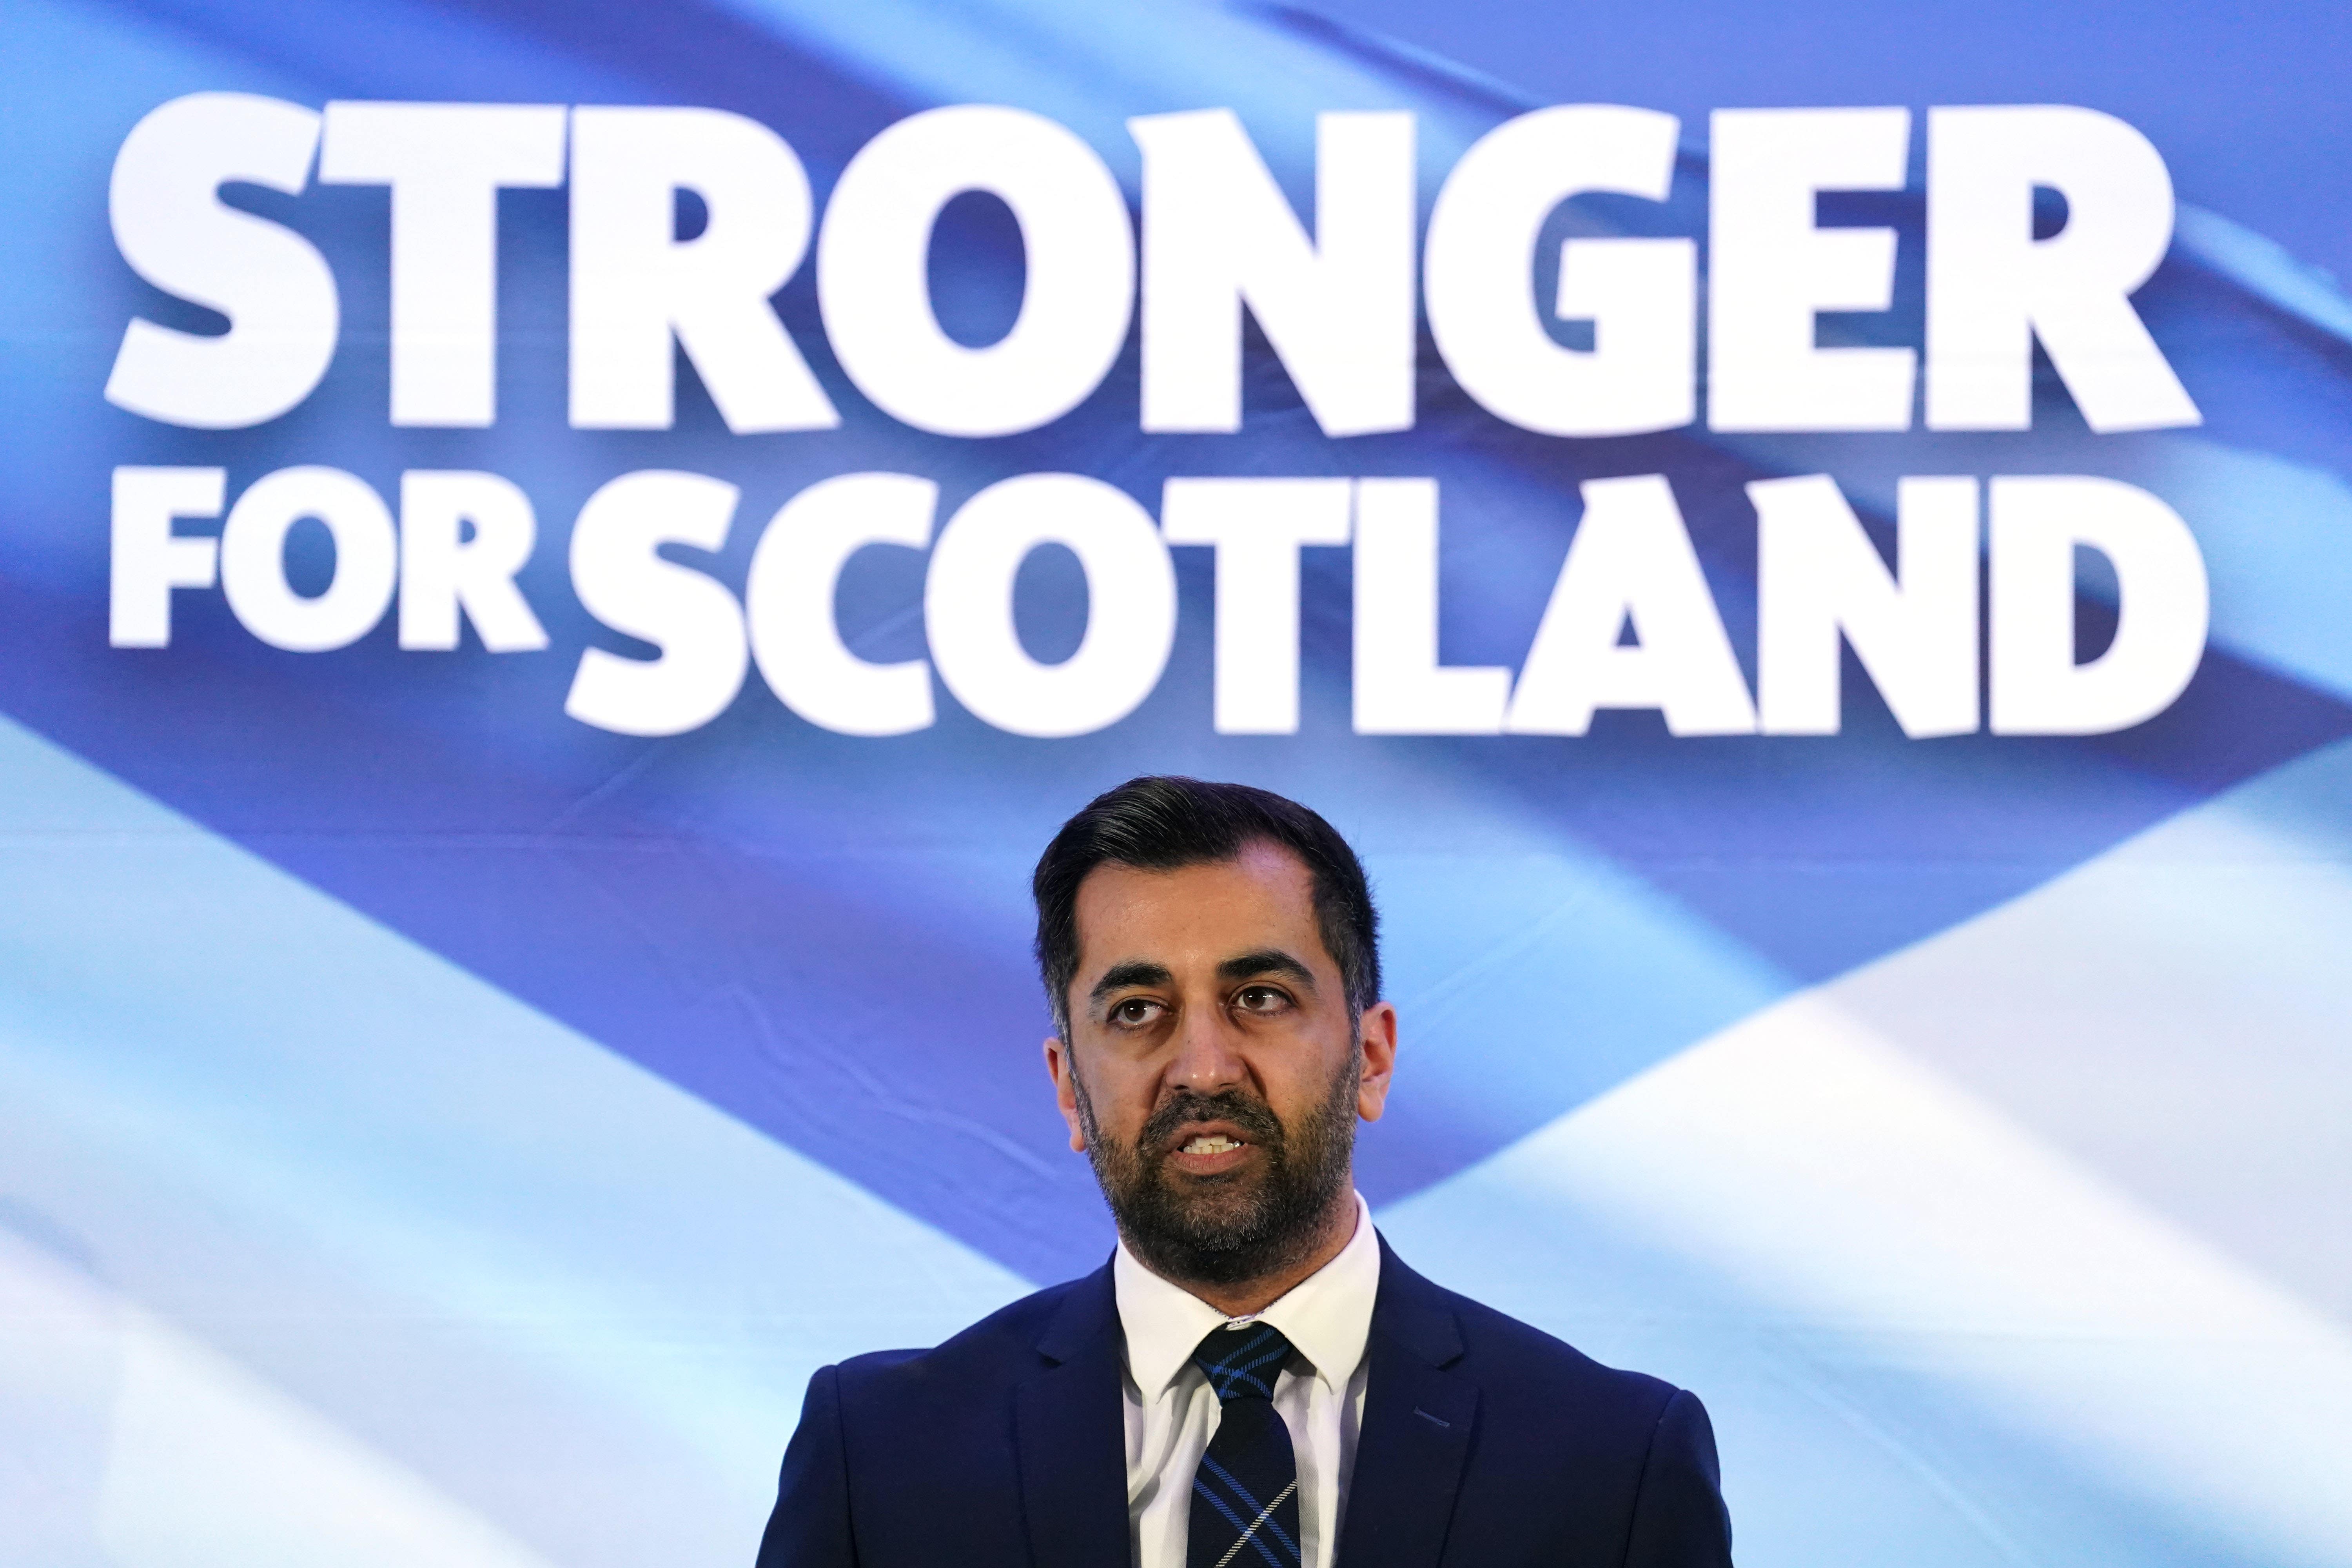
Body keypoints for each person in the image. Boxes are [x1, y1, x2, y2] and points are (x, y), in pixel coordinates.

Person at [754, 776, 1733, 1568]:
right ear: (1066, 1085)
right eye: (1138, 1009)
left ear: (1373, 1057)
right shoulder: (880, 1457)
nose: (1205, 1066)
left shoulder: (1613, 1462)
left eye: (1259, 996)